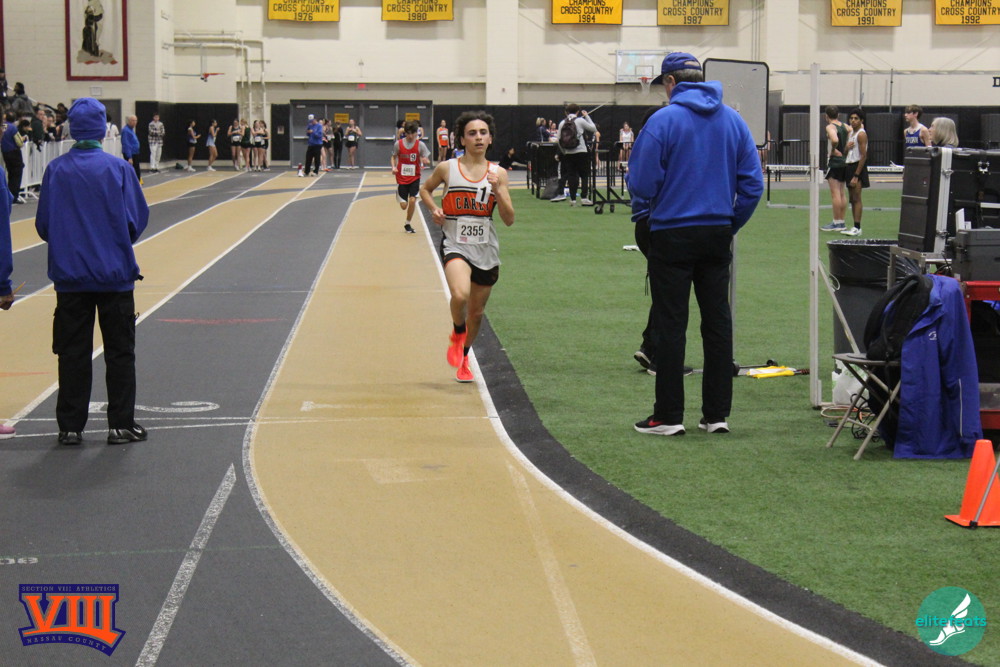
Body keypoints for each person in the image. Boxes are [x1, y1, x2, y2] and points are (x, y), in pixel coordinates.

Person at [627, 52, 763, 436]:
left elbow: (641, 183)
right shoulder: (733, 120)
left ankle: (669, 416)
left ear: (671, 82)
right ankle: (716, 415)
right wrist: (730, 222)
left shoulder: (662, 121)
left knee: (671, 323)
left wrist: (650, 211)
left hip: (671, 232)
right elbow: (753, 185)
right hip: (717, 233)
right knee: (717, 323)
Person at [34, 97, 150, 446]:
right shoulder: (119, 170)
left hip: (70, 279)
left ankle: (70, 427)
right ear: (102, 130)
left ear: (72, 129)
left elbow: (44, 225)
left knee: (72, 352)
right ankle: (121, 424)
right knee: (119, 352)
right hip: (114, 276)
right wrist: (113, 241)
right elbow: (137, 219)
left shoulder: (56, 170)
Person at [419, 111, 515, 383]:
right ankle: (458, 331)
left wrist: (498, 191)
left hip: (485, 249)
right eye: (472, 133)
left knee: (476, 312)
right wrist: (434, 209)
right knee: (460, 295)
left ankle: (464, 357)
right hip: (455, 244)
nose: (478, 138)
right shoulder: (447, 168)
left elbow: (509, 219)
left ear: (490, 138)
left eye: (483, 133)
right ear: (462, 139)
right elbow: (425, 190)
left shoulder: (498, 174)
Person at [391, 120, 431, 234]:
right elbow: (393, 156)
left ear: (416, 133)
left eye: (412, 133)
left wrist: (425, 160)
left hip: (415, 177)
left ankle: (407, 223)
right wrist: (394, 167)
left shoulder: (420, 145)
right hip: (401, 177)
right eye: (408, 133)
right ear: (405, 133)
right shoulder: (398, 144)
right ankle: (399, 194)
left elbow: (426, 158)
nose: (410, 136)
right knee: (404, 206)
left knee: (413, 200)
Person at [555, 103, 597, 207]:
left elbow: (558, 140)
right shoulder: (580, 121)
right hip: (581, 151)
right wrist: (587, 116)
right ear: (577, 112)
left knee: (572, 176)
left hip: (568, 153)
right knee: (584, 175)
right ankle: (584, 198)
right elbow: (593, 128)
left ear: (566, 112)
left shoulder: (562, 123)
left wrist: (564, 151)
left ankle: (573, 200)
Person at [820, 106, 849, 232]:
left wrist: (833, 150)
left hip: (835, 162)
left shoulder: (830, 127)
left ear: (826, 116)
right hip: (845, 161)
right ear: (838, 115)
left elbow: (835, 139)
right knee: (842, 192)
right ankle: (841, 221)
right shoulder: (845, 126)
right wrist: (847, 147)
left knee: (835, 193)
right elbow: (860, 129)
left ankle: (836, 222)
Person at [842, 107, 869, 237]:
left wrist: (856, 175)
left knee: (857, 198)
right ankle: (854, 226)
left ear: (861, 120)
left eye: (856, 118)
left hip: (857, 166)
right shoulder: (851, 133)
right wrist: (847, 147)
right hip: (849, 165)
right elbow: (845, 152)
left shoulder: (861, 134)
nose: (853, 121)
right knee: (852, 199)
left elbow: (863, 155)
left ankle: (858, 227)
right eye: (851, 118)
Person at [1, 118, 29, 203]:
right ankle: (14, 196)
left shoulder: (2, 126)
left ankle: (9, 194)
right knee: (17, 174)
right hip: (14, 152)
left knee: (10, 174)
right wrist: (24, 139)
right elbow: (19, 142)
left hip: (5, 152)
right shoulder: (12, 128)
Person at [121, 114, 141, 183]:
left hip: (135, 152)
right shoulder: (126, 131)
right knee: (133, 171)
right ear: (129, 121)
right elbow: (126, 144)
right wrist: (129, 157)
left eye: (136, 120)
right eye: (133, 120)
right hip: (131, 154)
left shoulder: (131, 130)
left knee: (136, 170)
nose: (135, 122)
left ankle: (137, 183)